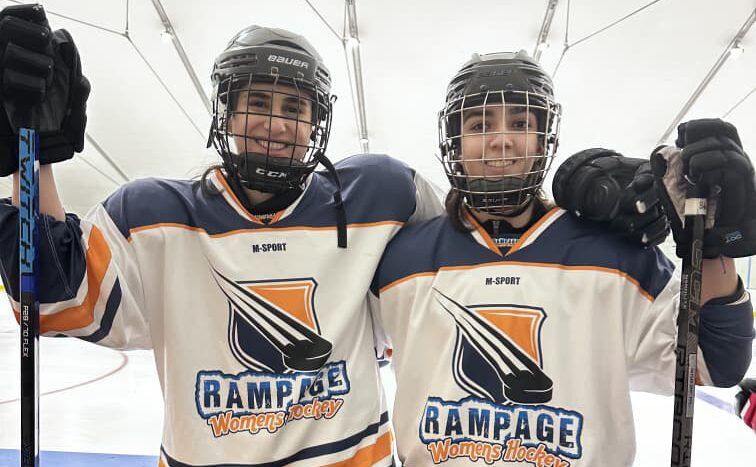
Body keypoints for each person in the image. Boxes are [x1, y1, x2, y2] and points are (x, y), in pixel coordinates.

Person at [0, 5, 441, 466]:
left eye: (294, 108)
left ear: (317, 122)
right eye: (258, 103)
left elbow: (467, 250)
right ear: (226, 114)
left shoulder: (380, 197)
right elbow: (54, 296)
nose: (276, 124)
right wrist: (33, 158)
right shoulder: (154, 217)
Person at [370, 51, 754, 466]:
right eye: (480, 125)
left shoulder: (612, 254)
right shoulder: (402, 258)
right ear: (455, 142)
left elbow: (716, 361)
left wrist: (712, 243)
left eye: (521, 123)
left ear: (543, 140)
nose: (501, 140)